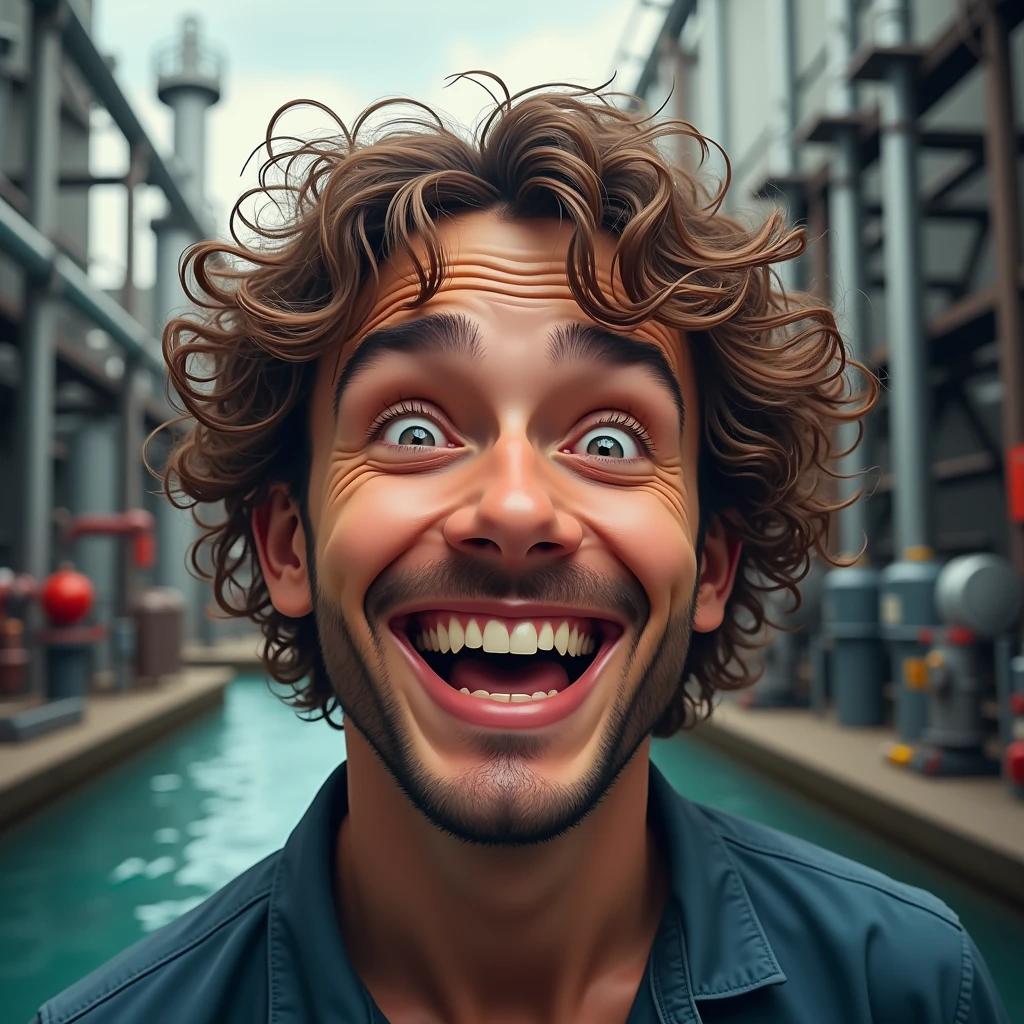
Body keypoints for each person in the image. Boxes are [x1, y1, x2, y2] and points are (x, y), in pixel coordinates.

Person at [34, 80, 1009, 1024]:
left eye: (610, 442)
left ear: (711, 564)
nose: (511, 506)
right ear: (290, 544)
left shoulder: (910, 989)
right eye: (414, 430)